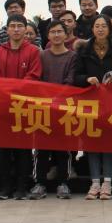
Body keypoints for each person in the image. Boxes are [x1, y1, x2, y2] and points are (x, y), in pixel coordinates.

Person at [73, 15, 112, 200]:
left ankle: (107, 182)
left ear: (110, 29)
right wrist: (87, 79)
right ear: (92, 29)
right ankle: (95, 182)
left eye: (103, 26)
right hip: (89, 102)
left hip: (111, 102)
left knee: (108, 143)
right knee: (92, 144)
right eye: (96, 26)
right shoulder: (83, 50)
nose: (100, 29)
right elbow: (76, 76)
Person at [0, 14, 42, 200]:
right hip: (4, 105)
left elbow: (34, 75)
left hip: (24, 105)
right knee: (5, 148)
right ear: (7, 29)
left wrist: (15, 89)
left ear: (25, 29)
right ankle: (5, 187)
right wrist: (7, 91)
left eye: (19, 26)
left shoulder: (33, 51)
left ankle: (22, 186)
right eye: (12, 26)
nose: (16, 29)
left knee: (23, 149)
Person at [30, 20, 78, 199]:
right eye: (53, 32)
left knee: (64, 148)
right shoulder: (41, 55)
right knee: (41, 148)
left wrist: (58, 99)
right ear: (48, 35)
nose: (56, 35)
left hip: (64, 108)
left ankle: (63, 183)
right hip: (43, 107)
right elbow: (37, 78)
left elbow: (70, 80)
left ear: (66, 34)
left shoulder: (73, 56)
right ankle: (39, 183)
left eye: (60, 31)